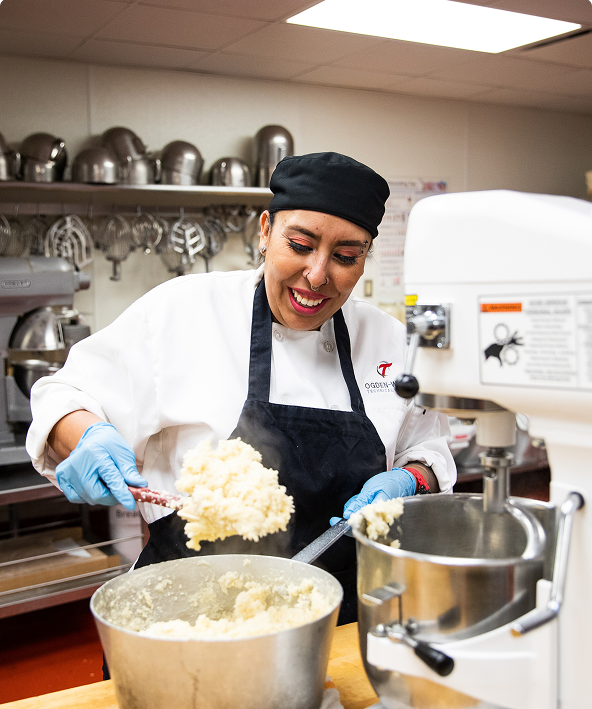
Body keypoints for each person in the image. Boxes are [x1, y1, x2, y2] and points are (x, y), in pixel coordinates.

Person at [27, 151, 456, 625]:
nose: (317, 275)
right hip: (190, 614)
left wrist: (411, 480)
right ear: (266, 231)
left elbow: (429, 448)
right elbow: (66, 394)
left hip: (341, 619)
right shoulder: (184, 311)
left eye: (345, 257)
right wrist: (86, 436)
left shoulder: (389, 340)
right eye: (300, 244)